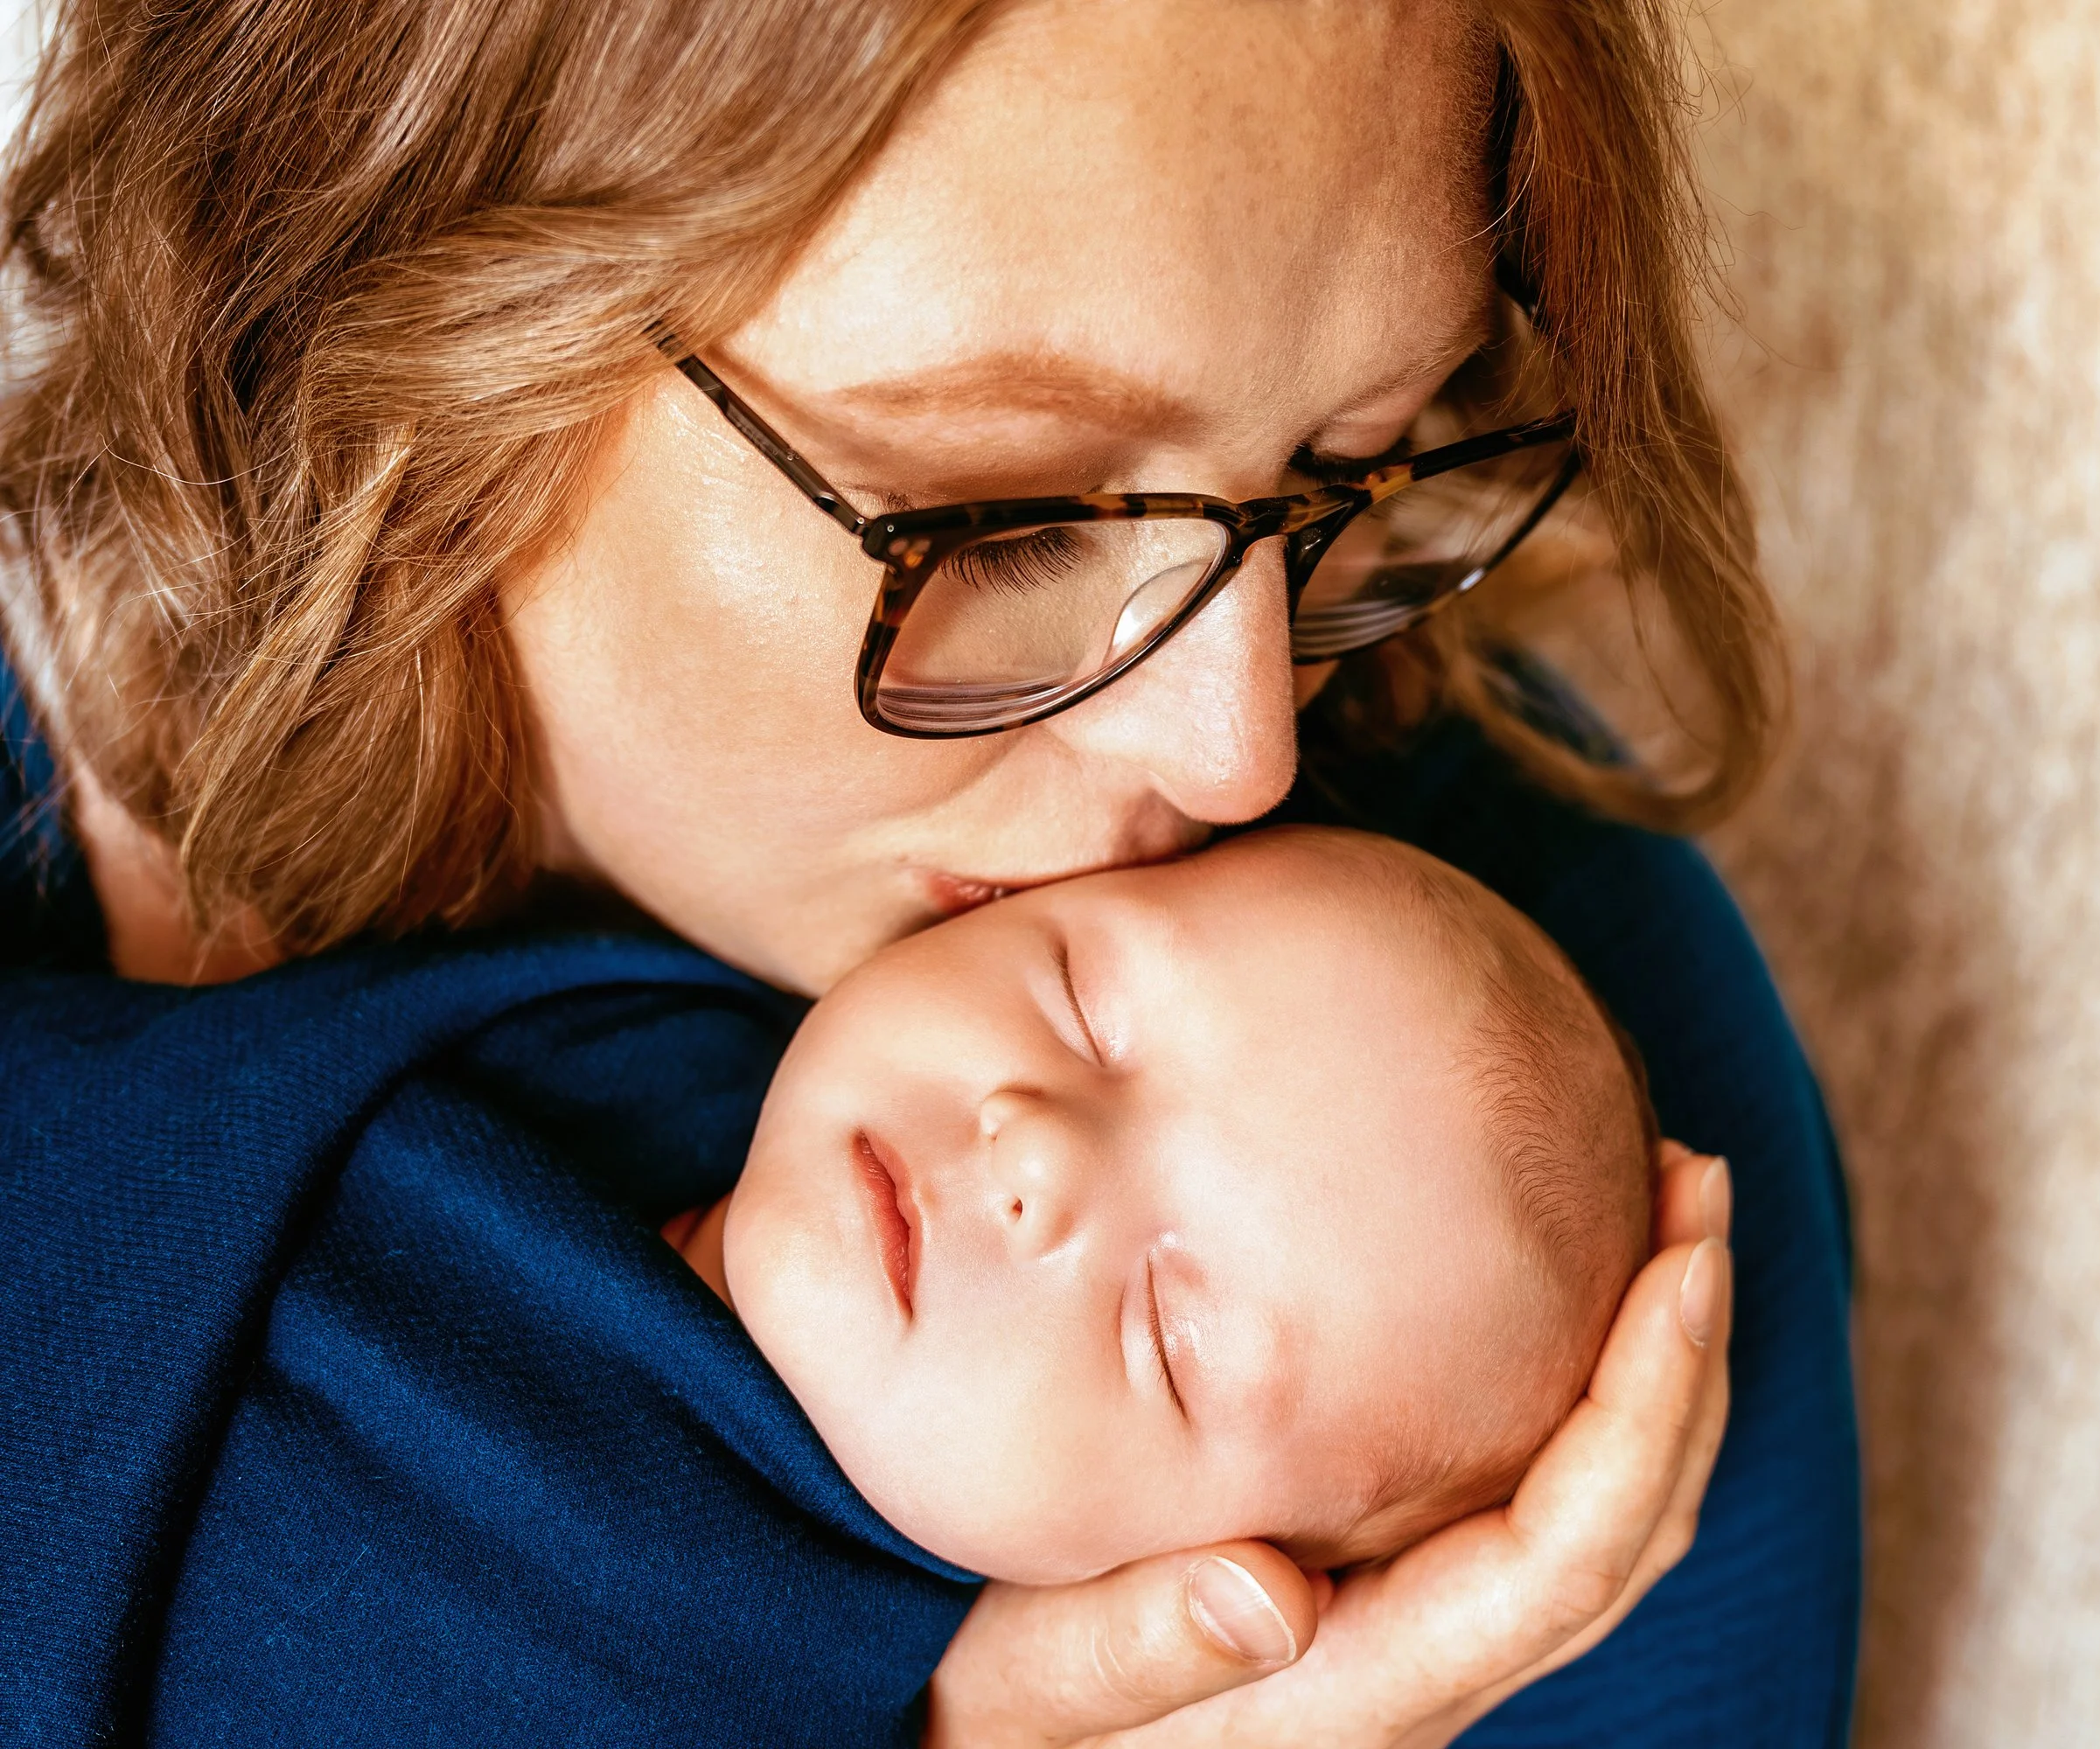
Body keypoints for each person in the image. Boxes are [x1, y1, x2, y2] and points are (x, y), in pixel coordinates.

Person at [0, 1, 1859, 1744]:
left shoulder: (1522, 1180)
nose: (1241, 750)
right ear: (414, 287)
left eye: (1339, 470)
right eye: (1013, 520)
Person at [672, 826, 1663, 1589]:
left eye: (1163, 1331)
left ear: (1186, 1581)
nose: (1041, 1153)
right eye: (1079, 1004)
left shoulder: (725, 1667)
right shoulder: (662, 973)